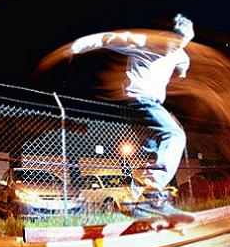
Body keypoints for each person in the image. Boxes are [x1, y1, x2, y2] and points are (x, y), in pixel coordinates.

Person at [70, 13, 195, 215]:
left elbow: (184, 60)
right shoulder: (140, 41)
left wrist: (182, 72)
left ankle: (132, 202)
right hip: (137, 101)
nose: (175, 48)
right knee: (175, 135)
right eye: (174, 42)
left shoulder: (179, 53)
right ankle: (152, 196)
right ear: (164, 35)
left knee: (153, 154)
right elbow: (105, 38)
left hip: (147, 105)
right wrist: (76, 47)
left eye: (182, 44)